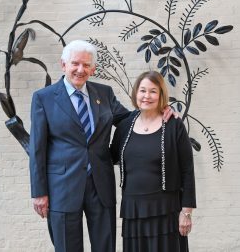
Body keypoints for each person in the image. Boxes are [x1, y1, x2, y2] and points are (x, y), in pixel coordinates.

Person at [29, 40, 173, 252]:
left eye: (86, 65)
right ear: (63, 65)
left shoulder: (104, 93)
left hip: (100, 185)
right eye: (75, 64)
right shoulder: (44, 98)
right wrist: (39, 192)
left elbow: (128, 119)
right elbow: (37, 148)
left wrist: (159, 110)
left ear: (93, 68)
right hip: (62, 188)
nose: (80, 70)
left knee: (105, 247)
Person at [111, 71, 196, 252]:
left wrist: (186, 212)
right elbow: (110, 156)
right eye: (142, 90)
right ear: (136, 93)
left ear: (161, 95)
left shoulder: (174, 125)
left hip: (166, 208)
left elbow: (187, 170)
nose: (146, 96)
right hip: (133, 209)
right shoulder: (125, 125)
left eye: (153, 91)